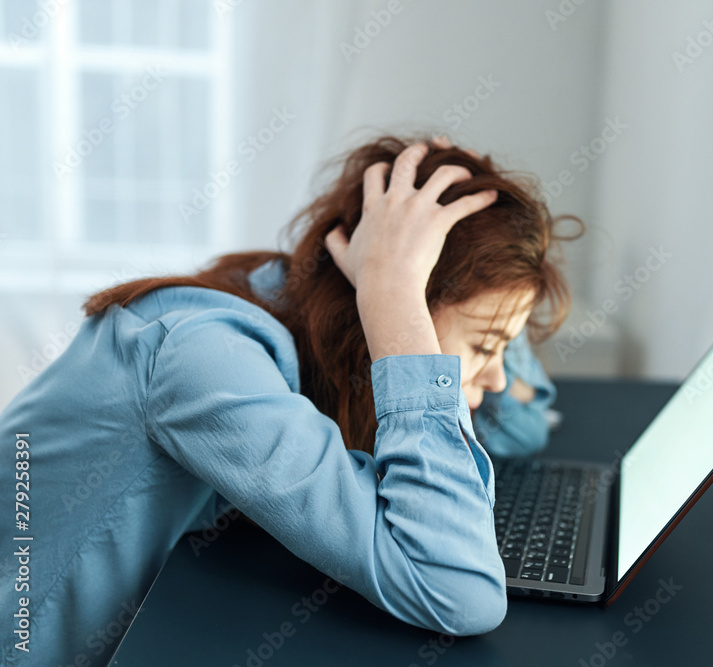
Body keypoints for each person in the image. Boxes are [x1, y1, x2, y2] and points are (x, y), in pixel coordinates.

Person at [0, 135, 580, 665]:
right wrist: (395, 295)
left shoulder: (296, 299)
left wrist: (482, 265)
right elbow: (457, 591)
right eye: (486, 346)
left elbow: (521, 425)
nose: (500, 380)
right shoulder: (204, 357)